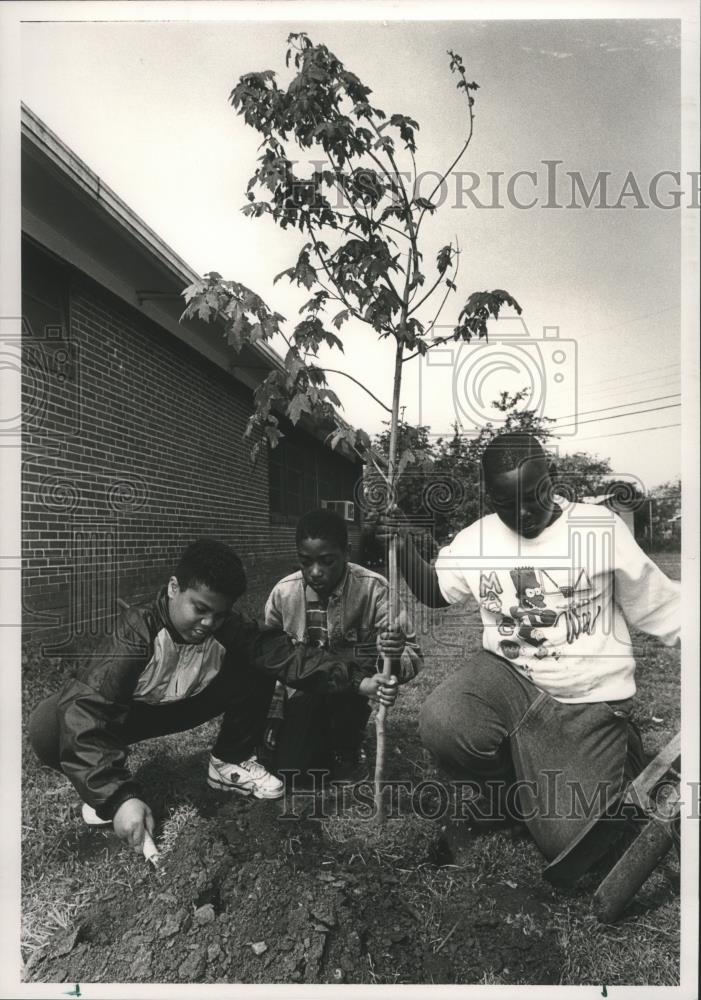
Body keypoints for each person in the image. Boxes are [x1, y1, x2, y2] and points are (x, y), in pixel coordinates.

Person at [375, 432, 680, 860]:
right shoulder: (476, 541)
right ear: (489, 496)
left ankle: (622, 753)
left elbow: (659, 605)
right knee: (443, 720)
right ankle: (514, 793)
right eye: (505, 503)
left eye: (535, 496)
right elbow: (435, 592)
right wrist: (402, 544)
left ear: (551, 476)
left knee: (568, 845)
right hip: (510, 682)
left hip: (588, 703)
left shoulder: (596, 529)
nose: (523, 513)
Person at [28, 537, 398, 854]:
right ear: (174, 588)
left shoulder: (227, 627)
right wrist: (117, 797)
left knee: (261, 656)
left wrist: (355, 681)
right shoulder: (134, 635)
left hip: (189, 704)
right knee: (50, 724)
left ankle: (228, 762)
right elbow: (87, 709)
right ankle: (98, 788)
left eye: (218, 615)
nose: (208, 624)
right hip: (130, 716)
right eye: (199, 609)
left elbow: (285, 655)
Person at [262, 508, 422, 783]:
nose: (315, 572)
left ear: (347, 552)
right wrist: (275, 714)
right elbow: (271, 660)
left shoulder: (374, 589)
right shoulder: (283, 594)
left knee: (354, 658)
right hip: (305, 687)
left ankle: (347, 747)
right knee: (295, 771)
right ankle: (311, 737)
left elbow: (413, 656)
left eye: (327, 561)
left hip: (354, 688)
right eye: (305, 561)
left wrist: (392, 656)